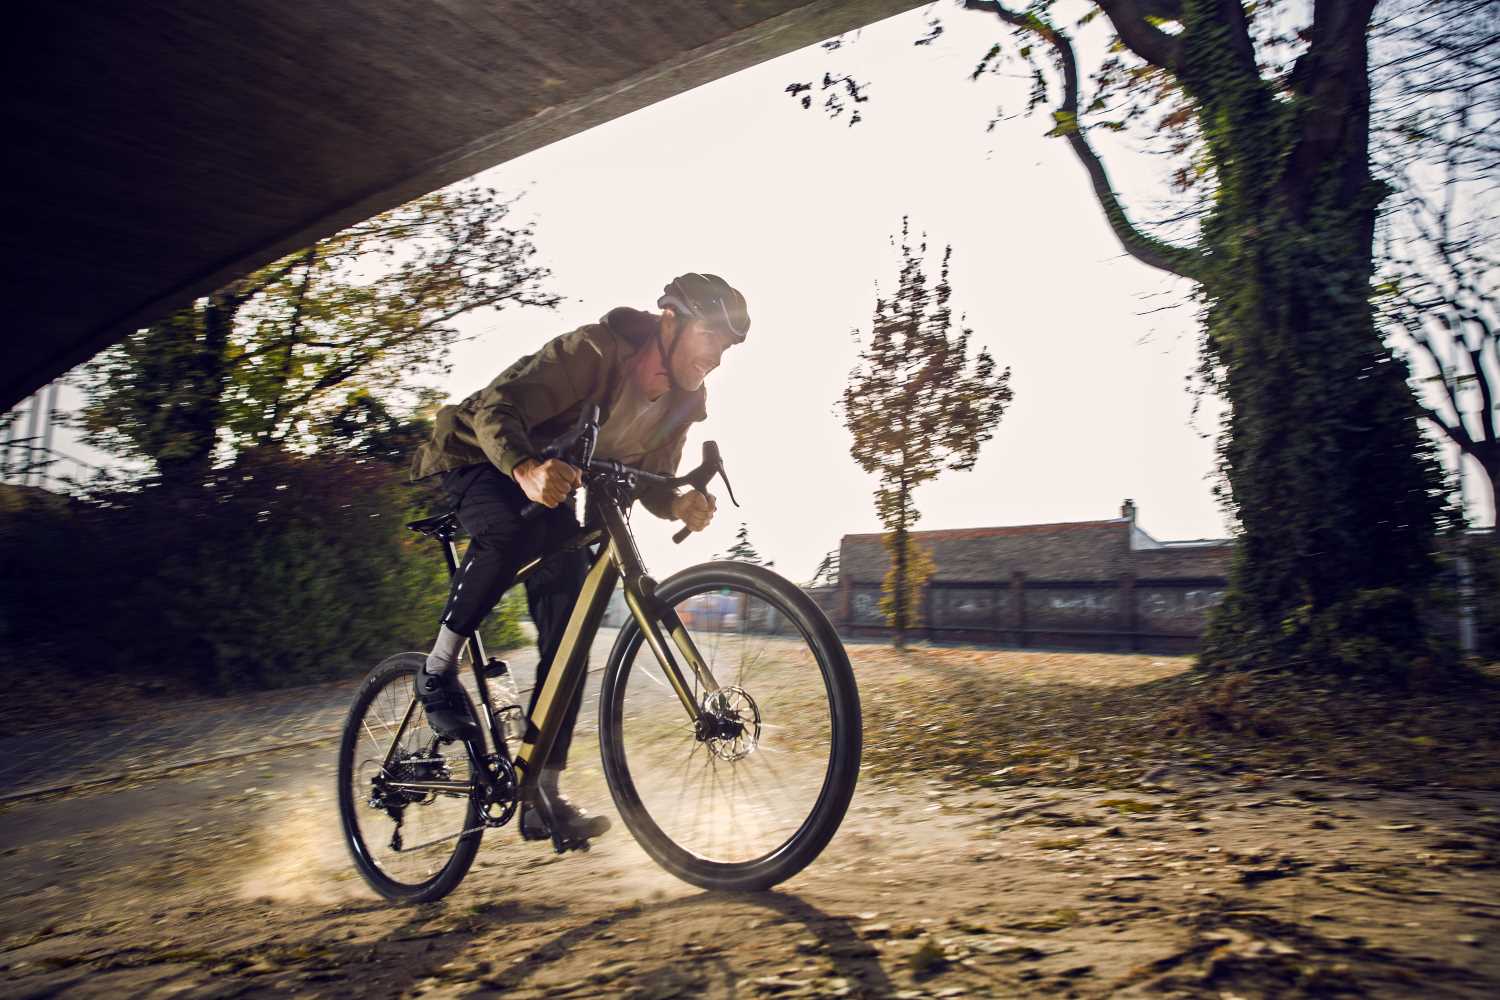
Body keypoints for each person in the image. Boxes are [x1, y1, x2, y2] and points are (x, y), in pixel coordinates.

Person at [407, 273, 749, 842]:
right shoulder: (593, 351)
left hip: (556, 483)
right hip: (479, 455)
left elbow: (654, 482)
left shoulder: (686, 400)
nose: (716, 356)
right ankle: (435, 671)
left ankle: (541, 792)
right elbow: (498, 408)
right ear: (670, 320)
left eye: (726, 346)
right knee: (507, 534)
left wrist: (680, 501)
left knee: (570, 630)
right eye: (710, 336)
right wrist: (525, 469)